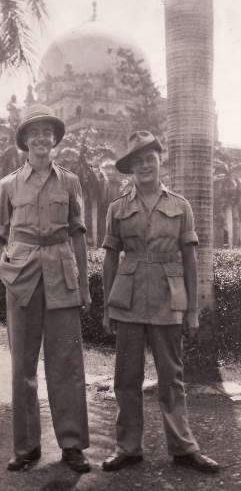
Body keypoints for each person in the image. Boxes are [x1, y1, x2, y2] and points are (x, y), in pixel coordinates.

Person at [101, 130, 220, 474]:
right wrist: (110, 306)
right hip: (128, 297)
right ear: (131, 168)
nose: (145, 166)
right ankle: (128, 447)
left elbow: (189, 260)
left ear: (159, 161)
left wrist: (193, 310)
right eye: (138, 161)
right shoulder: (117, 208)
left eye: (150, 159)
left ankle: (183, 448)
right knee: (126, 376)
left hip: (170, 297)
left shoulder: (180, 206)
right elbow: (110, 259)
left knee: (172, 376)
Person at [0, 103, 91, 473]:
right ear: (25, 141)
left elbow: (78, 236)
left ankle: (73, 445)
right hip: (22, 281)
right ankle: (26, 447)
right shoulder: (8, 185)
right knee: (23, 367)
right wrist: (5, 272)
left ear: (54, 140)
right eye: (34, 133)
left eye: (47, 132)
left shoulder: (71, 182)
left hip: (62, 276)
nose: (41, 138)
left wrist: (84, 284)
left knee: (67, 364)